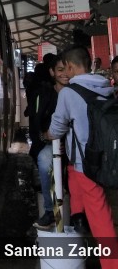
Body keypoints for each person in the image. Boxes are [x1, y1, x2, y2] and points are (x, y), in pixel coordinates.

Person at [44, 46, 118, 268]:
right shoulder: (105, 86)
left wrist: (47, 134)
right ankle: (78, 217)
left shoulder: (69, 92)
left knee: (100, 215)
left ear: (70, 66)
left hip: (86, 161)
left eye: (65, 67)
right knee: (72, 176)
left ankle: (111, 263)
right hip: (103, 155)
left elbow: (57, 127)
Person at [31, 55, 69, 229]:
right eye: (60, 70)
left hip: (76, 145)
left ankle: (80, 215)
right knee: (46, 161)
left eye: (68, 69)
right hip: (51, 145)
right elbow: (37, 125)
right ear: (52, 72)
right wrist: (46, 137)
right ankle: (50, 211)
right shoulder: (45, 95)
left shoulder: (78, 93)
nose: (65, 74)